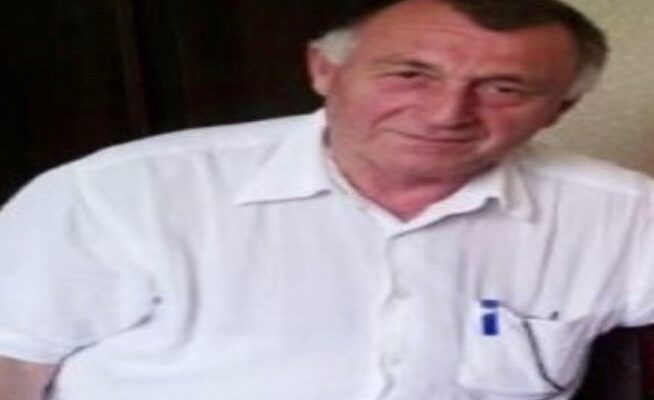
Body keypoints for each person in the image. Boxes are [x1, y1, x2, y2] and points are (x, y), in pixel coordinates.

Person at [0, 0, 652, 399]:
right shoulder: (116, 194)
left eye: (504, 88)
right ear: (324, 70)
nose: (445, 112)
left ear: (560, 108)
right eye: (410, 74)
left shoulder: (621, 214)